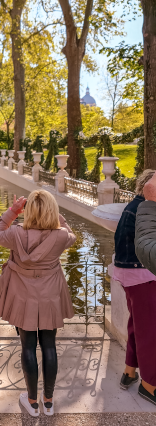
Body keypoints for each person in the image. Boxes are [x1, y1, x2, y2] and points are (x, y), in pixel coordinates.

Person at [0, 190, 76, 417]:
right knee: (49, 345)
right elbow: (72, 235)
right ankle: (48, 402)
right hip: (49, 296)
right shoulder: (60, 236)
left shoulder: (15, 233)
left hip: (22, 296)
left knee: (27, 345)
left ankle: (32, 402)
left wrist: (12, 211)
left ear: (27, 211)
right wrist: (58, 217)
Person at [126, 170, 156, 406]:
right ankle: (149, 385)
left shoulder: (132, 207)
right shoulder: (140, 209)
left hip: (132, 275)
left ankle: (129, 372)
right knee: (147, 332)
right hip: (142, 276)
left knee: (137, 326)